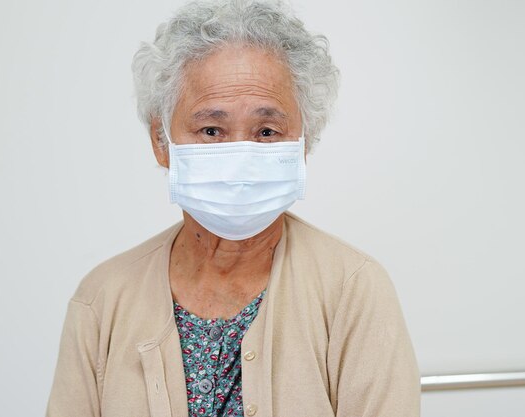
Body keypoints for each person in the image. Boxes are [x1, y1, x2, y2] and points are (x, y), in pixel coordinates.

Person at [46, 0, 420, 416]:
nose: (240, 156)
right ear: (161, 141)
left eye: (266, 131)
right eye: (211, 130)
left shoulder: (353, 289)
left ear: (303, 143)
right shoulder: (102, 300)